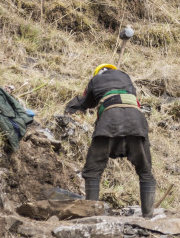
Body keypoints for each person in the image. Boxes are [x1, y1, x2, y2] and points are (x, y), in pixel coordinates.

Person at [65, 64, 156, 218]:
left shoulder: (96, 80)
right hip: (136, 120)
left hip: (109, 121)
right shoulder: (126, 77)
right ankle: (148, 216)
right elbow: (133, 100)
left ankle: (91, 214)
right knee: (145, 171)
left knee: (93, 171)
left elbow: (85, 102)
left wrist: (70, 110)